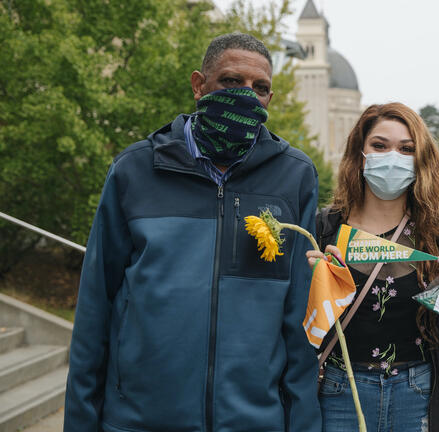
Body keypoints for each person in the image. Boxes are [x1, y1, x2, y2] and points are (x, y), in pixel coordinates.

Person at [64, 33, 322, 432]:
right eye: (231, 82)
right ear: (199, 85)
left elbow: (299, 317)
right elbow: (96, 305)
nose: (246, 96)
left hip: (254, 421)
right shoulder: (134, 170)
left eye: (260, 88)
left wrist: (302, 423)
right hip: (140, 419)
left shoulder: (294, 175)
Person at [306, 103, 439, 432]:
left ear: (420, 159)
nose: (392, 156)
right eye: (379, 145)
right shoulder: (326, 228)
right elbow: (303, 328)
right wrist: (308, 285)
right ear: (361, 152)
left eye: (406, 148)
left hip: (417, 391)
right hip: (340, 391)